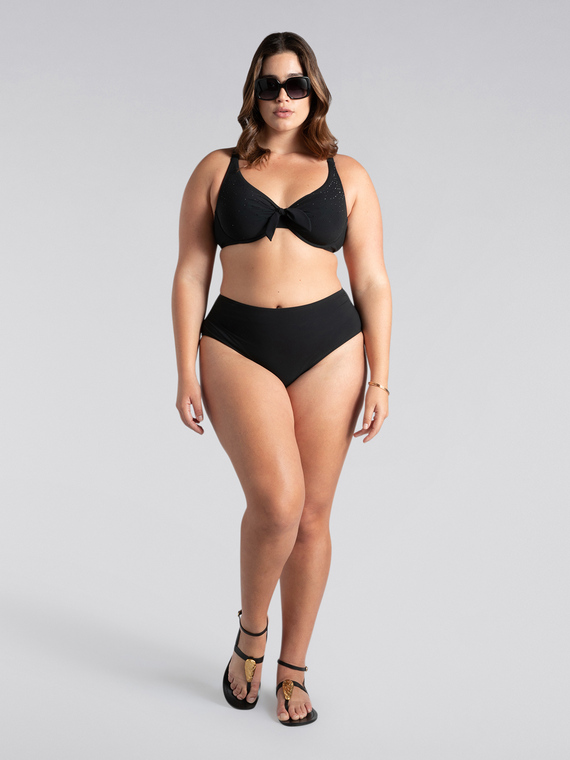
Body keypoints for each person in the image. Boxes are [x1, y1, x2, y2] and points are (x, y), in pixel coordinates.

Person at [172, 31, 391, 726]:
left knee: (314, 514)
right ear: (253, 93)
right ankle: (252, 636)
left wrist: (381, 378)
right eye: (270, 85)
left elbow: (372, 281)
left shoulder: (348, 174)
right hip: (237, 344)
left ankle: (293, 669)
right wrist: (183, 367)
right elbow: (191, 273)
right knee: (277, 504)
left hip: (332, 347)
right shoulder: (217, 170)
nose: (283, 97)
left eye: (296, 84)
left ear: (314, 91)